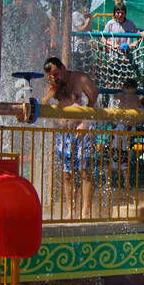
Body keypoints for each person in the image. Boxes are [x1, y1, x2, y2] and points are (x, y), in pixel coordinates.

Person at [43, 56, 100, 220]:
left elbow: (94, 99)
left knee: (85, 171)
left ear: (63, 68)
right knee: (67, 174)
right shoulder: (55, 85)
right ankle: (71, 211)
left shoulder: (79, 78)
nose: (54, 77)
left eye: (56, 74)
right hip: (66, 131)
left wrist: (86, 123)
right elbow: (45, 102)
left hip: (83, 129)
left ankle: (85, 211)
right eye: (51, 76)